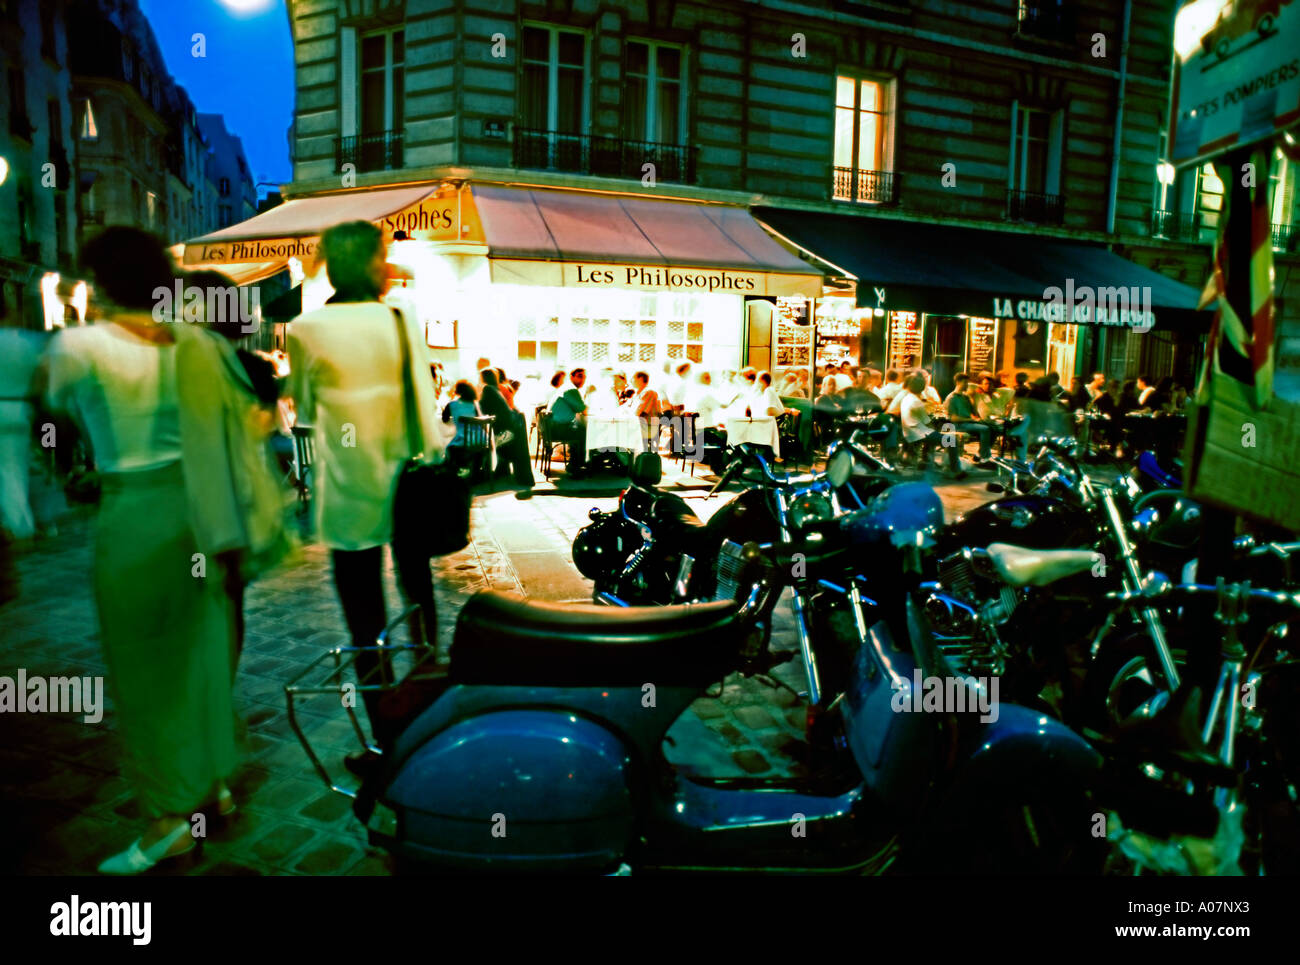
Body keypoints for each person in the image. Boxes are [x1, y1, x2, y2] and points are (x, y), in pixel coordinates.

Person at [44, 227, 237, 874]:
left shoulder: (82, 345)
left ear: (99, 283)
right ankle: (211, 788)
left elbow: (52, 413)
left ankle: (167, 823)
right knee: (196, 658)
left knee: (144, 674)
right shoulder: (198, 345)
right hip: (197, 513)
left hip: (133, 514)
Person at [287, 220, 445, 741]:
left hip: (344, 483)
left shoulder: (306, 328)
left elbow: (306, 406)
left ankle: (384, 730)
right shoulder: (400, 318)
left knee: (364, 617)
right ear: (371, 262)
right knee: (417, 598)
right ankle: (427, 706)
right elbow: (424, 404)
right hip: (402, 476)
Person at [895, 374, 963, 477]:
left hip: (909, 432)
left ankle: (925, 460)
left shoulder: (906, 398)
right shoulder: (917, 402)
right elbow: (928, 423)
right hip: (919, 434)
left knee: (934, 435)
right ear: (921, 387)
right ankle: (954, 469)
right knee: (952, 440)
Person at [478, 367, 533, 487]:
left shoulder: (488, 389)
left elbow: (481, 407)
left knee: (495, 446)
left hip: (506, 427)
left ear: (484, 378)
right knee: (501, 447)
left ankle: (492, 473)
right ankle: (502, 471)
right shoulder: (496, 389)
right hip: (512, 424)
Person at [942, 373, 993, 465]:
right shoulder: (952, 398)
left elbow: (973, 412)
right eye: (965, 383)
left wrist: (973, 397)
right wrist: (972, 420)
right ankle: (985, 458)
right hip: (959, 425)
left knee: (994, 428)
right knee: (985, 429)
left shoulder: (965, 397)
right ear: (958, 383)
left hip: (968, 423)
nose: (967, 385)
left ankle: (980, 454)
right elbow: (953, 418)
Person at [548, 367, 589, 474]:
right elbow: (582, 409)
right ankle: (576, 466)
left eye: (584, 377)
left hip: (551, 427)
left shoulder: (564, 387)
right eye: (579, 376)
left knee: (579, 429)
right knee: (585, 432)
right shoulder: (570, 390)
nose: (582, 380)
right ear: (571, 376)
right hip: (558, 428)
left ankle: (575, 464)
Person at [631, 370, 662, 450]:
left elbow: (640, 411)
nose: (631, 381)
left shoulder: (649, 392)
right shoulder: (638, 393)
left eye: (633, 378)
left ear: (640, 379)